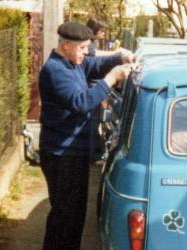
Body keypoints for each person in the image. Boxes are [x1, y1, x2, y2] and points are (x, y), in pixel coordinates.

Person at [38, 21, 135, 250]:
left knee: (75, 216)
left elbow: (96, 63)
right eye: (82, 48)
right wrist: (111, 78)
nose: (86, 53)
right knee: (65, 216)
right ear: (66, 45)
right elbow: (81, 103)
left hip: (73, 153)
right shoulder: (55, 70)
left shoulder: (73, 63)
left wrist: (119, 57)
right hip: (62, 155)